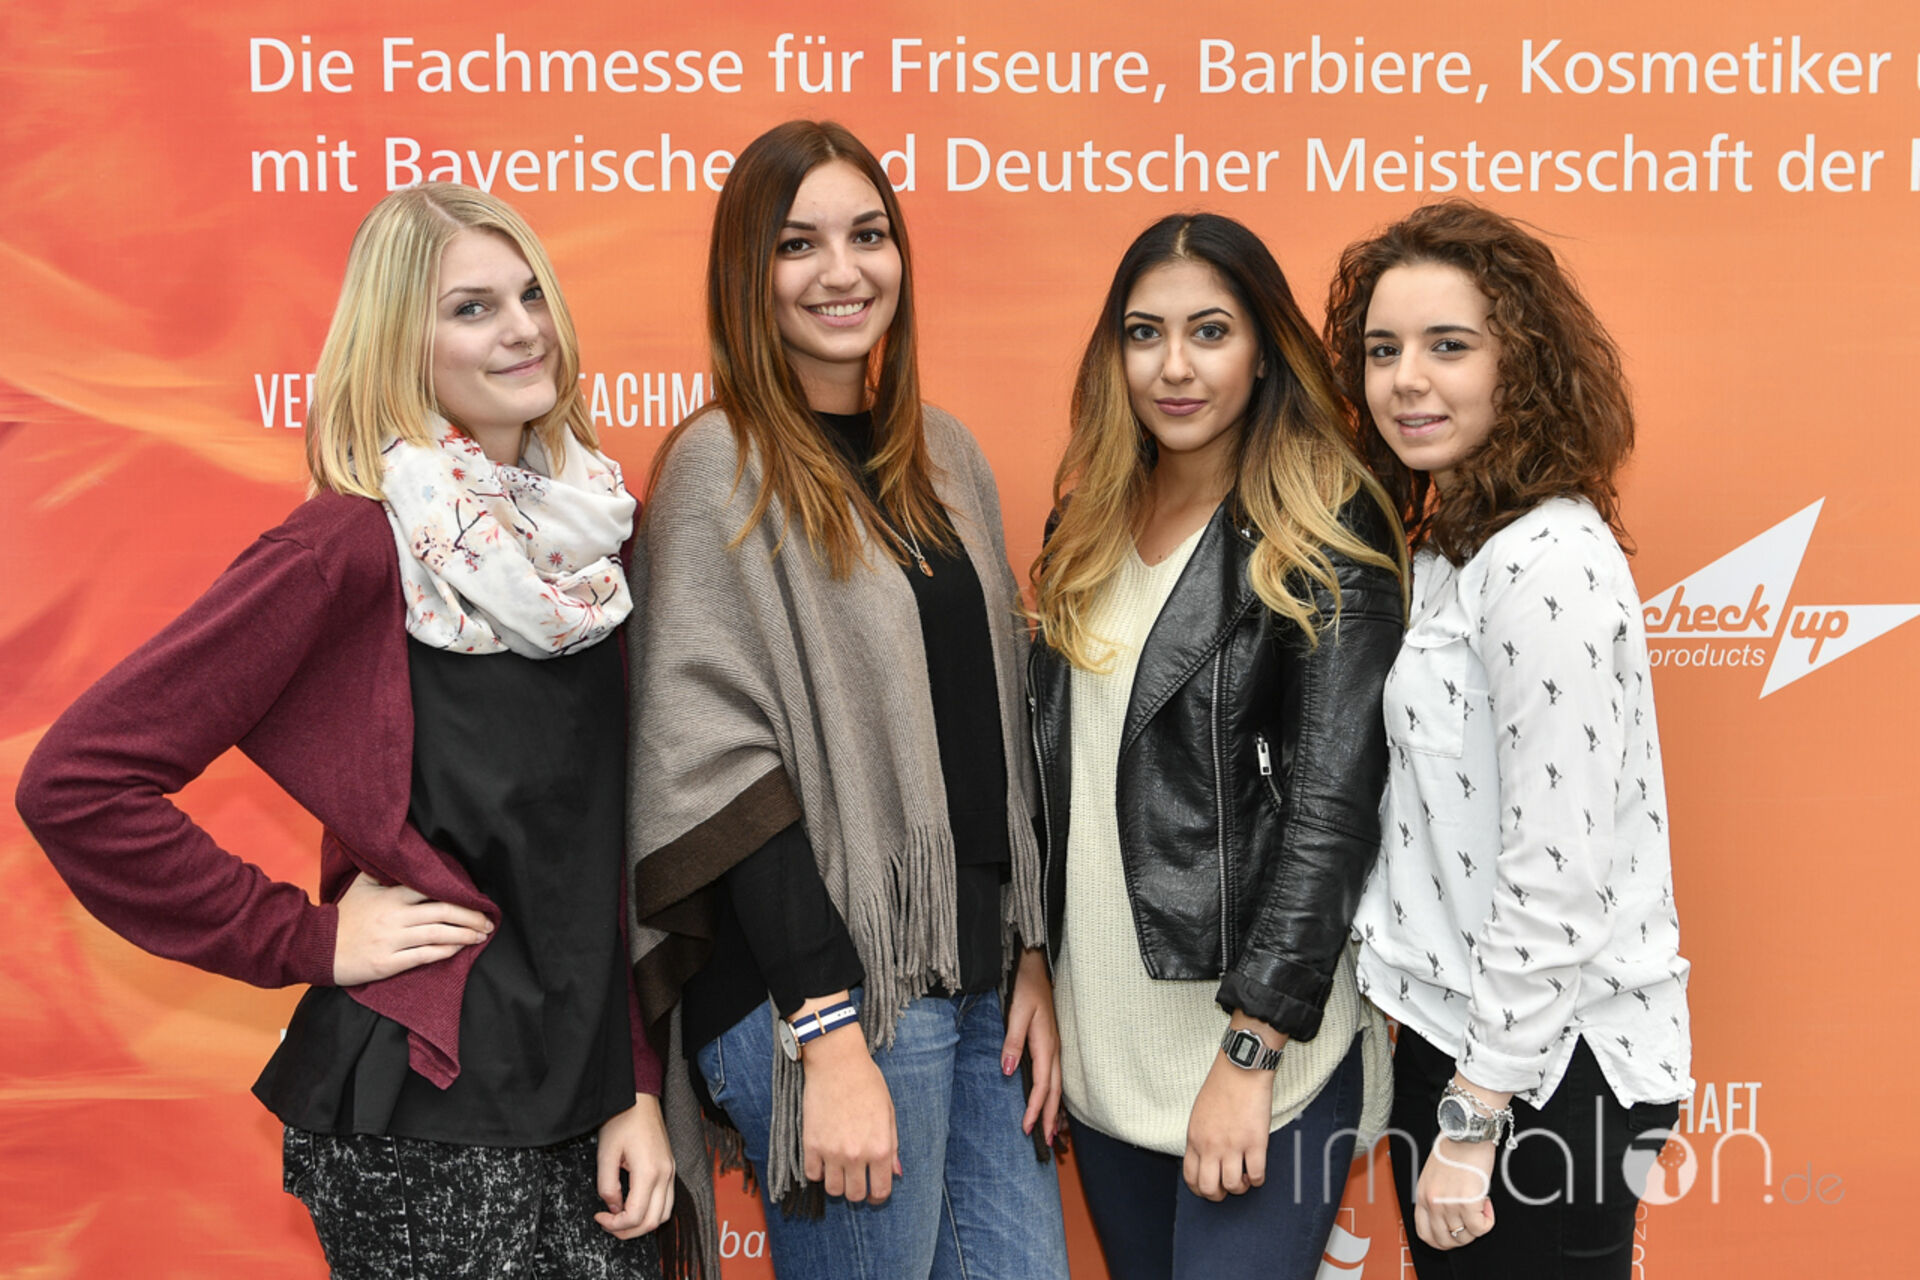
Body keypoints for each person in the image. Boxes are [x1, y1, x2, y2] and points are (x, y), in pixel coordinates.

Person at [16, 184, 675, 1279]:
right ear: (400, 342)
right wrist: (306, 940)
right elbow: (77, 782)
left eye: (530, 296)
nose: (521, 329)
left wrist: (636, 1083)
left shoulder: (596, 549)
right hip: (424, 1107)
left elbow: (601, 852)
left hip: (585, 1106)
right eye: (471, 308)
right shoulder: (353, 544)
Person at [624, 120, 1068, 1280]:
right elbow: (714, 766)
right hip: (826, 993)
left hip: (976, 977)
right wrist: (825, 1032)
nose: (842, 270)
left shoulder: (946, 457)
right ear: (748, 273)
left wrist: (1028, 950)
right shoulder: (719, 466)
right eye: (798, 243)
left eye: (868, 235)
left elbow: (995, 736)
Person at [1025, 213, 1406, 1280]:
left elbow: (1333, 817)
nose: (1175, 367)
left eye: (1210, 331)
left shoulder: (1325, 530)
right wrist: (1031, 961)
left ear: (1264, 350)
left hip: (1258, 1062)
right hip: (1106, 1054)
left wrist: (1251, 1048)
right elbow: (1052, 782)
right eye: (1145, 333)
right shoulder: (1082, 527)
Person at [1327, 200, 1693, 1278]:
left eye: (1449, 346)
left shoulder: (1548, 560)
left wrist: (1474, 1116)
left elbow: (1555, 871)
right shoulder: (1454, 550)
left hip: (1547, 1072)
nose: (1407, 380)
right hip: (1469, 1045)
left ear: (1521, 366)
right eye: (1383, 350)